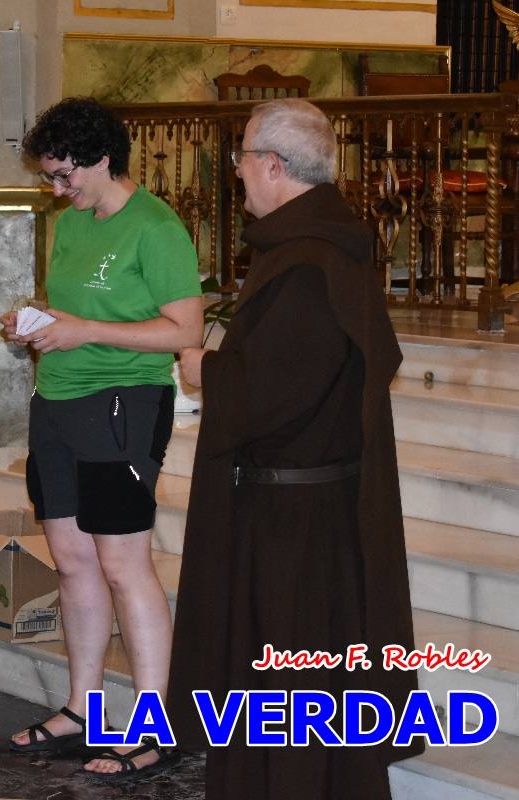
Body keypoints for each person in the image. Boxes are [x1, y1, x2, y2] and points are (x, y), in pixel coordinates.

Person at [168, 98, 422, 799]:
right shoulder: (317, 250)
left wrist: (206, 370)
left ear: (273, 166)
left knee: (293, 700)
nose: (238, 173)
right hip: (303, 514)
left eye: (243, 158)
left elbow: (273, 395)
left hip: (294, 531)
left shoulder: (310, 265)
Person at [1, 97, 203, 783]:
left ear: (101, 160)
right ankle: (82, 709)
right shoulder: (71, 224)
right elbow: (73, 311)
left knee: (123, 565)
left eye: (64, 176)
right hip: (56, 402)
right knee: (73, 562)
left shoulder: (157, 228)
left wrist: (85, 329)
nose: (57, 190)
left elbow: (184, 331)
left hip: (124, 402)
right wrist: (35, 323)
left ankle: (155, 726)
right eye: (52, 177)